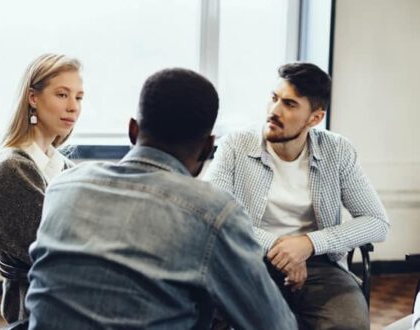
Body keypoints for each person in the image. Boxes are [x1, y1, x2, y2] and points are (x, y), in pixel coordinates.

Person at [26, 68, 297, 329]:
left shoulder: (64, 186)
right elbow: (273, 324)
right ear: (207, 147)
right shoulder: (214, 212)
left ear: (133, 130)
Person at [205, 62, 390, 329]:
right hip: (247, 258)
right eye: (274, 98)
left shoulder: (337, 151)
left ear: (315, 118)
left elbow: (377, 222)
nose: (274, 111)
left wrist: (309, 244)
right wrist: (280, 247)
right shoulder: (235, 145)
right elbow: (213, 215)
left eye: (289, 105)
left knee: (349, 323)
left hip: (319, 264)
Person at [0, 53, 84, 323]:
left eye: (79, 97)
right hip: (35, 312)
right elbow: (55, 251)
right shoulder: (11, 168)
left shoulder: (63, 166)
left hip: (67, 304)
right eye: (62, 95)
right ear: (33, 98)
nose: (73, 106)